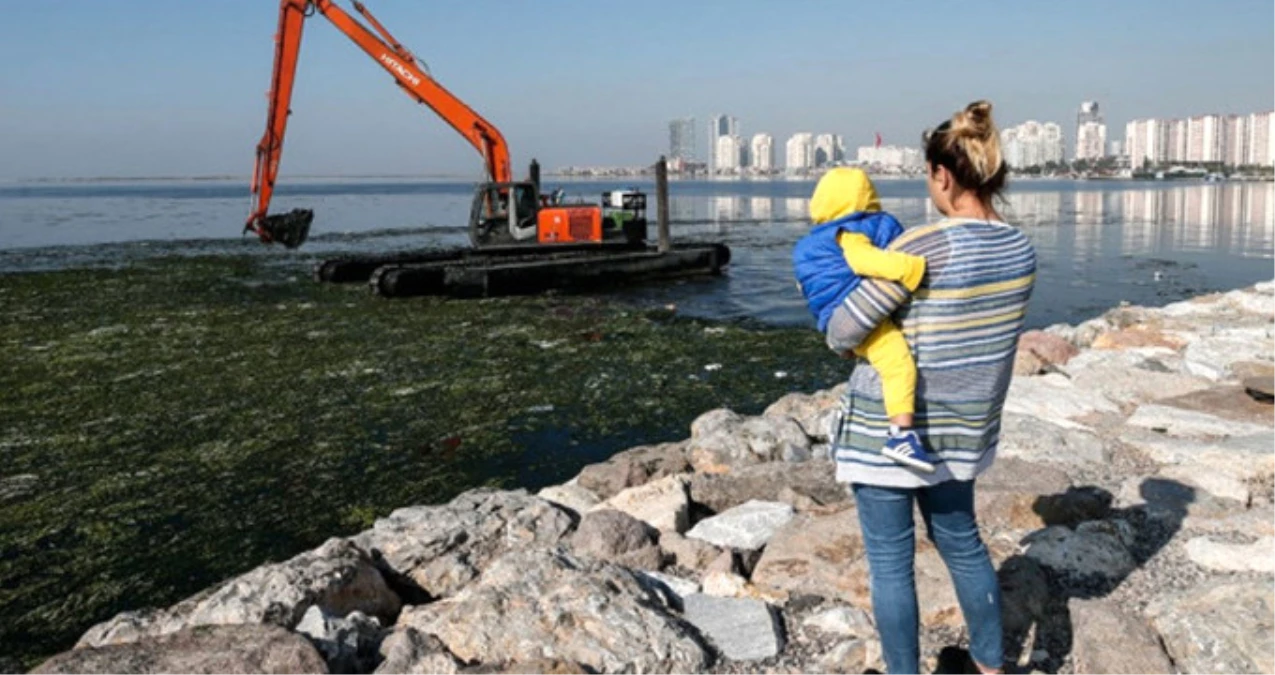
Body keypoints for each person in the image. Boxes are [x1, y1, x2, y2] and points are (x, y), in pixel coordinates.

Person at [823, 100, 1037, 675]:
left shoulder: (923, 245)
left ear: (942, 175)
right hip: (962, 431)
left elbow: (843, 329)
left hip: (889, 434)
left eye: (928, 176)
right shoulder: (1022, 251)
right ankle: (991, 666)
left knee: (891, 564)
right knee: (962, 543)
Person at [793, 167, 939, 472]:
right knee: (897, 363)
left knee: (878, 354)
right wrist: (912, 268)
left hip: (836, 315)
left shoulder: (821, 237)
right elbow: (864, 261)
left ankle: (852, 350)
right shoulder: (849, 234)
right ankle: (900, 435)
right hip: (851, 310)